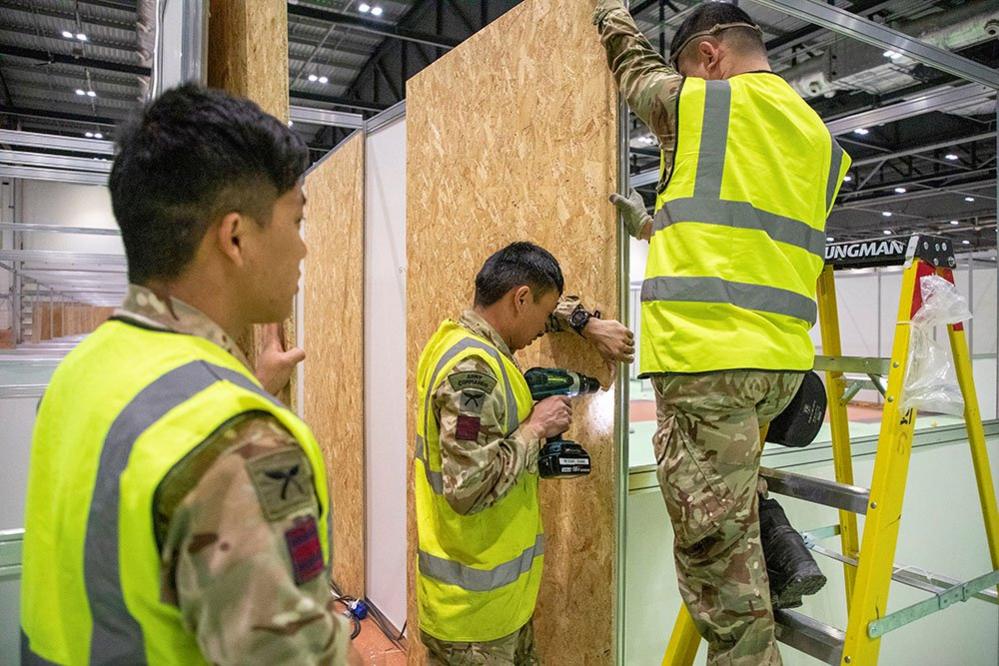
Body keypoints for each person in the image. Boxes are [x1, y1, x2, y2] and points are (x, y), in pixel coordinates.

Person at [20, 85, 361, 666]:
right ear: (235, 238)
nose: (303, 248)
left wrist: (251, 385)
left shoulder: (83, 368)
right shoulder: (238, 444)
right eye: (296, 220)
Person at [594, 2, 851, 664]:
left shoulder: (704, 105)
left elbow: (633, 72)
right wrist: (651, 229)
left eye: (689, 68)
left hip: (708, 364)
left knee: (724, 597)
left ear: (708, 56)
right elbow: (748, 235)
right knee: (729, 513)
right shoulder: (818, 141)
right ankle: (775, 550)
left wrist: (610, 15)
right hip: (780, 370)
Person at [414, 241, 633, 665]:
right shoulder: (472, 373)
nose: (541, 329)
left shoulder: (459, 341)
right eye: (541, 312)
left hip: (495, 609)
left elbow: (543, 312)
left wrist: (586, 325)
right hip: (473, 620)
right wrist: (536, 429)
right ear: (519, 298)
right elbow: (468, 489)